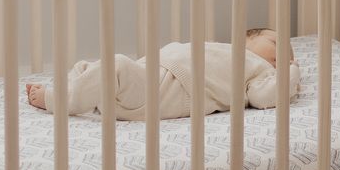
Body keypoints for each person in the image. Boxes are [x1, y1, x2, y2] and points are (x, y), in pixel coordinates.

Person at [25, 29, 299, 120]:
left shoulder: (259, 71)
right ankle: (84, 89)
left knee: (117, 65)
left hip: (165, 91)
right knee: (94, 67)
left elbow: (267, 96)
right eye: (276, 44)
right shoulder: (228, 50)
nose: (281, 56)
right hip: (153, 74)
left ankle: (59, 100)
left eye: (287, 57)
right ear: (247, 38)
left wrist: (290, 73)